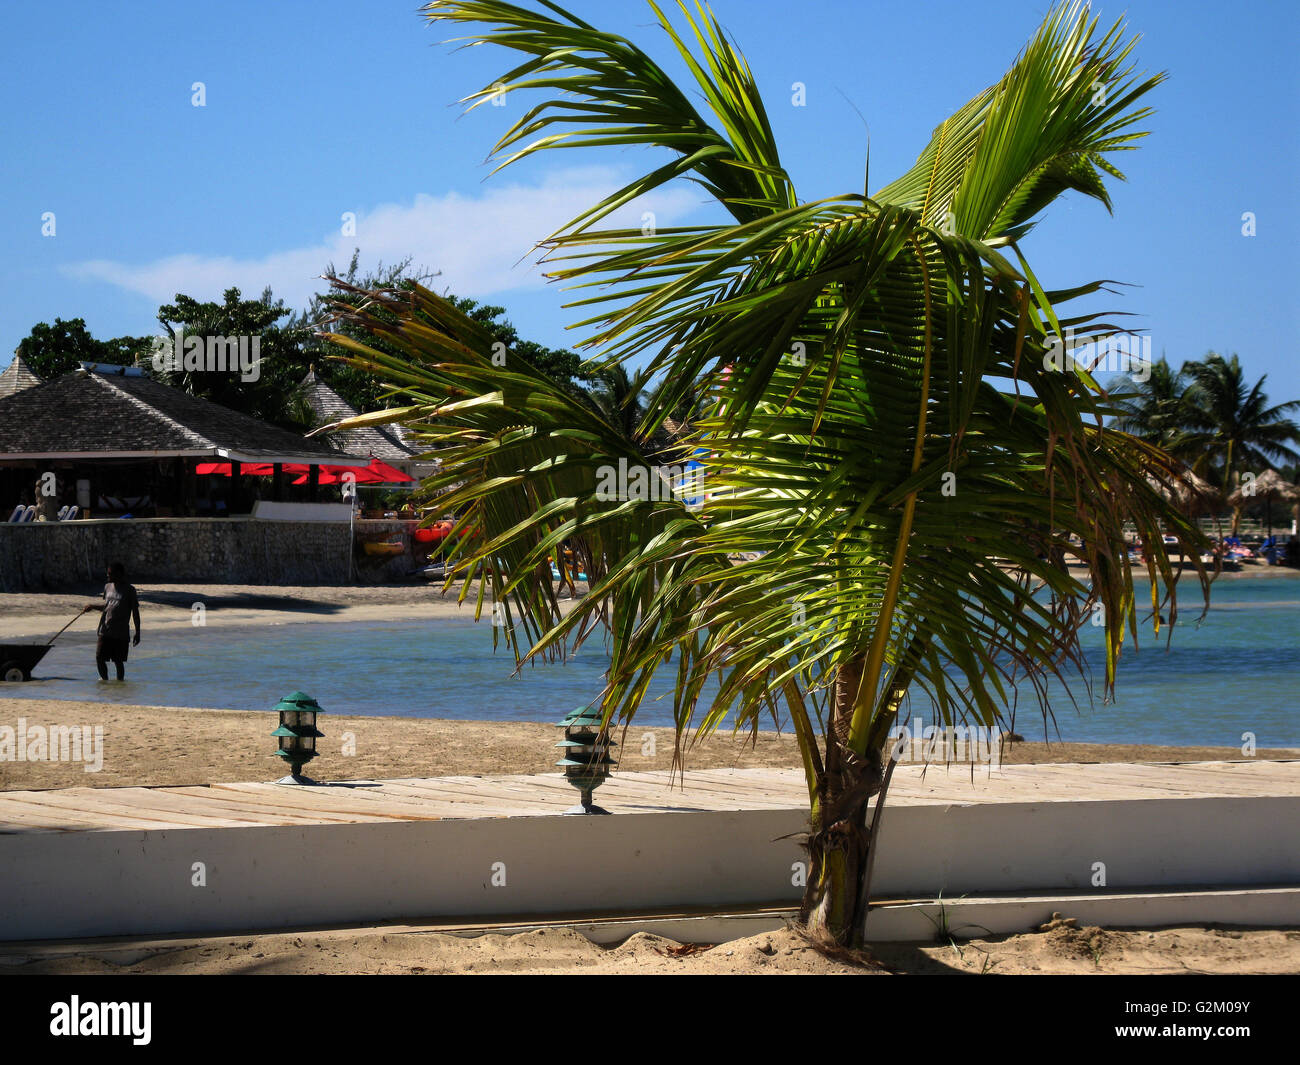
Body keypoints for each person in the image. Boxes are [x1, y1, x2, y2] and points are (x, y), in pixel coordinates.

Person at [83, 562, 141, 681]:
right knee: (99, 657)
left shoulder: (130, 590)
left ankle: (119, 687)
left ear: (119, 574)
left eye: (110, 573)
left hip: (121, 632)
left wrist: (138, 632)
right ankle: (104, 682)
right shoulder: (107, 587)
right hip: (105, 630)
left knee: (118, 662)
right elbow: (107, 606)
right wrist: (92, 606)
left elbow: (135, 612)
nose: (107, 575)